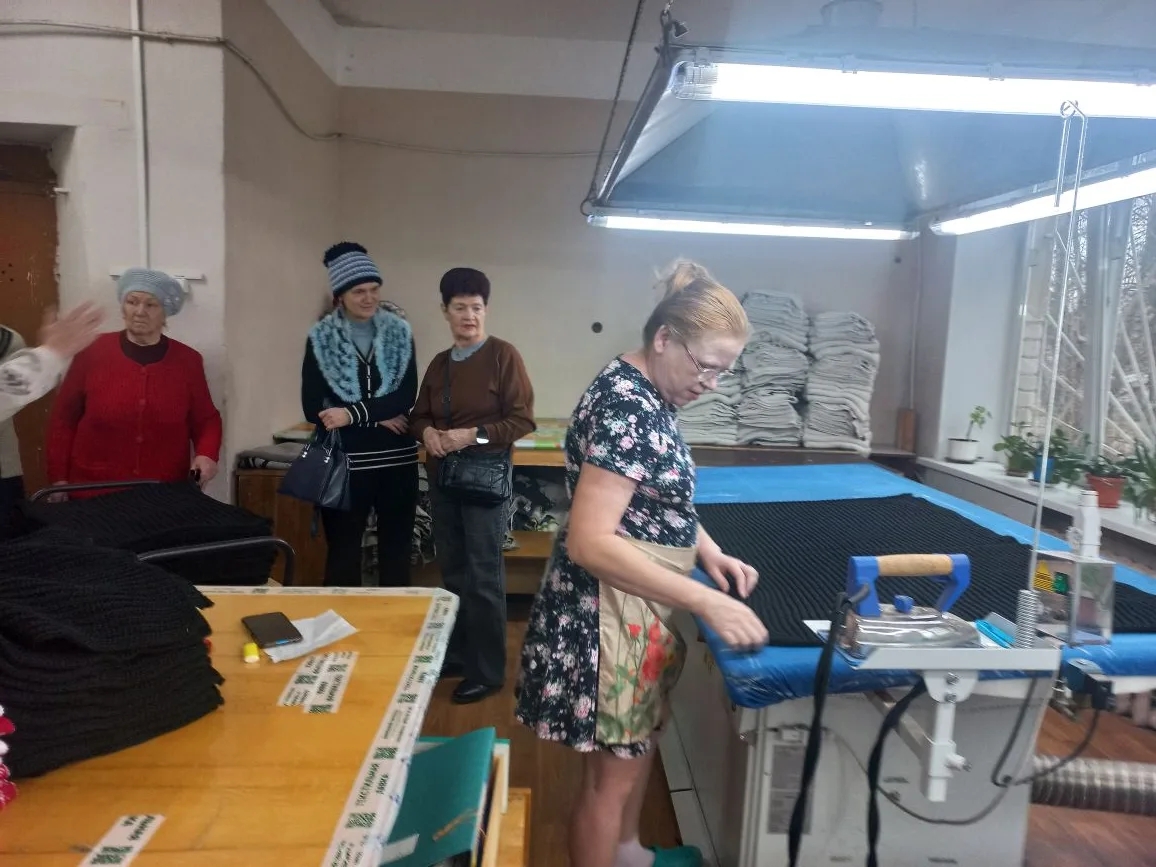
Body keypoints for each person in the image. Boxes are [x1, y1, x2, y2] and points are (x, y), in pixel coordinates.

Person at [514, 261, 769, 867]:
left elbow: (657, 498)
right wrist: (706, 598)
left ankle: (628, 851)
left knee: (637, 743)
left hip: (638, 607)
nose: (711, 383)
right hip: (607, 613)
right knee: (612, 777)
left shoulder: (652, 396)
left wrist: (708, 551)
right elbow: (591, 542)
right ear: (664, 340)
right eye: (705, 366)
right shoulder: (625, 408)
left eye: (723, 372)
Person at [410, 267, 535, 705]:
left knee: (483, 575)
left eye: (477, 307)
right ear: (445, 311)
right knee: (454, 571)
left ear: (486, 310)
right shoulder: (440, 364)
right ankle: (460, 655)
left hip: (484, 479)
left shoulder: (503, 356)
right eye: (460, 307)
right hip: (443, 478)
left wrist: (472, 435)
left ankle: (488, 671)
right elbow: (418, 415)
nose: (469, 315)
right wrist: (427, 433)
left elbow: (521, 420)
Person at [301, 242, 419, 588]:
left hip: (397, 461)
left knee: (397, 553)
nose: (369, 298)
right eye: (359, 291)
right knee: (343, 554)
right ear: (340, 296)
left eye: (374, 289)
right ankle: (341, 619)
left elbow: (405, 396)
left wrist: (350, 414)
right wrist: (374, 415)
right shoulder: (320, 339)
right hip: (344, 464)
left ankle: (396, 622)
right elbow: (312, 406)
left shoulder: (400, 334)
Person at [46, 269, 222, 494]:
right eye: (132, 302)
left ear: (165, 313)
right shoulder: (91, 351)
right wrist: (59, 479)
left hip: (163, 492)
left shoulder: (188, 361)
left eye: (151, 305)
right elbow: (64, 418)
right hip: (93, 490)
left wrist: (206, 454)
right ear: (123, 307)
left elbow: (207, 419)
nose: (139, 311)